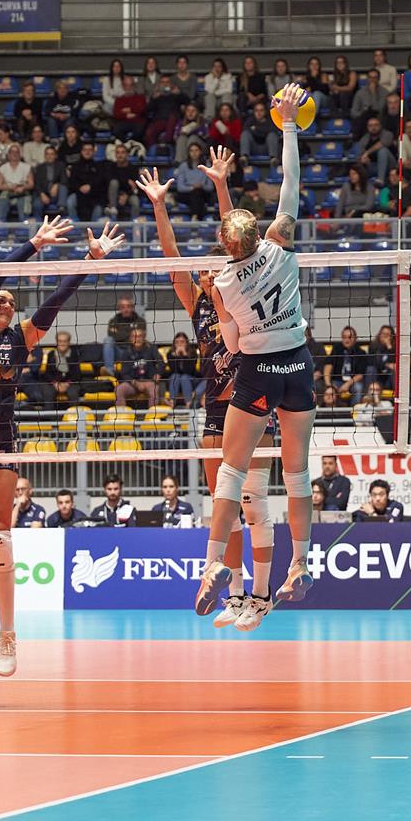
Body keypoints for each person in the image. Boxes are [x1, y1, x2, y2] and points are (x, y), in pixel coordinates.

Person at [0, 214, 121, 668]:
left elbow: (56, 300)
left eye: (13, 302)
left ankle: (7, 638)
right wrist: (34, 244)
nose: (8, 304)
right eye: (3, 300)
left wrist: (89, 260)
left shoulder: (21, 338)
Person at [138, 150, 277, 629]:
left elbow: (236, 234)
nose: (205, 272)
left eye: (211, 266)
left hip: (254, 403)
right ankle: (235, 597)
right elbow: (171, 256)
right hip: (215, 410)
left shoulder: (241, 287)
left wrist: (221, 184)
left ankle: (261, 597)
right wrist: (159, 206)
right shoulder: (197, 302)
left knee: (254, 505)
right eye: (200, 270)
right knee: (224, 507)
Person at [197, 86, 318, 632]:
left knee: (231, 471)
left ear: (227, 245)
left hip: (257, 371)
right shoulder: (280, 247)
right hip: (297, 365)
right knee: (297, 473)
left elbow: (228, 344)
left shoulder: (222, 282)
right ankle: (300, 564)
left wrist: (222, 303)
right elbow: (291, 183)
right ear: (256, 233)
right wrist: (288, 124)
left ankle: (212, 565)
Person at [113, 324, 163, 407]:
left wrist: (158, 374)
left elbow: (161, 363)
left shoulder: (151, 348)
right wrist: (135, 383)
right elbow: (124, 373)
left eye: (140, 336)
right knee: (119, 389)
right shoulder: (126, 353)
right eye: (134, 336)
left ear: (144, 338)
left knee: (154, 389)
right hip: (133, 383)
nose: (137, 339)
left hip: (149, 382)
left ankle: (153, 414)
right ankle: (122, 414)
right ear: (130, 339)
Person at [323, 326, 370, 404]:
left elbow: (360, 375)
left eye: (350, 337)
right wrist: (329, 384)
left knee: (358, 388)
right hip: (337, 381)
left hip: (353, 382)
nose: (347, 340)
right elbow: (328, 365)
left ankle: (354, 410)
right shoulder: (336, 349)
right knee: (328, 390)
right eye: (344, 337)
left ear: (355, 338)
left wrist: (347, 384)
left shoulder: (361, 352)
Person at [102, 294, 145, 378]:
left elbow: (139, 338)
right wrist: (130, 333)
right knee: (108, 340)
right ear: (119, 308)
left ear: (132, 307)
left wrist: (119, 333)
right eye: (123, 307)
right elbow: (111, 335)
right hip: (118, 352)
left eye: (128, 306)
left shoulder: (140, 321)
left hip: (133, 352)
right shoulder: (113, 320)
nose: (126, 309)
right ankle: (110, 371)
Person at [67, 141, 108, 222]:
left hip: (96, 196)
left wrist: (90, 186)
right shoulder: (75, 167)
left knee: (99, 208)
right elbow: (72, 182)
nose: (87, 152)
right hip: (79, 194)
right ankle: (75, 225)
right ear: (81, 152)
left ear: (93, 152)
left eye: (90, 150)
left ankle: (93, 228)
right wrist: (80, 187)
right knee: (70, 201)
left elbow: (101, 182)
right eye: (85, 150)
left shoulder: (100, 167)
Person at [0, 143, 34, 221]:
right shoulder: (3, 168)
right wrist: (11, 187)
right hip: (7, 191)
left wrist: (23, 188)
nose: (14, 154)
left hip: (22, 192)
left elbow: (31, 184)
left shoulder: (26, 167)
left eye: (17, 152)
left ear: (20, 154)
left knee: (23, 212)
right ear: (8, 155)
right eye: (12, 152)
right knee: (2, 205)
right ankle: (0, 224)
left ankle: (24, 224)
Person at [173, 141, 212, 219]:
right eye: (191, 151)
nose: (194, 153)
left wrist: (201, 186)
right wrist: (192, 187)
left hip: (203, 192)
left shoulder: (207, 165)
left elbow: (210, 187)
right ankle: (200, 218)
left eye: (196, 150)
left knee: (197, 194)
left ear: (200, 152)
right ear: (189, 153)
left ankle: (194, 217)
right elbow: (180, 187)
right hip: (187, 193)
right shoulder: (183, 166)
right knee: (196, 195)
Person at [165, 332, 203, 408]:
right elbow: (173, 370)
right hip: (176, 382)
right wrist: (176, 356)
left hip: (191, 380)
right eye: (177, 342)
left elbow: (189, 371)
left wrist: (185, 355)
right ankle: (172, 401)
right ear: (174, 343)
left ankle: (188, 403)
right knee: (175, 376)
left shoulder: (193, 353)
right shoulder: (170, 354)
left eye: (182, 342)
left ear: (186, 343)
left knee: (184, 377)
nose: (180, 344)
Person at [353, 115, 395, 182]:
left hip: (389, 166)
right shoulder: (364, 139)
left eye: (376, 125)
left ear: (380, 126)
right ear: (367, 127)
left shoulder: (388, 134)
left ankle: (380, 180)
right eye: (370, 126)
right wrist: (363, 159)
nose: (373, 127)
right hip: (372, 166)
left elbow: (382, 144)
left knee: (383, 151)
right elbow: (359, 156)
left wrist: (367, 153)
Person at [111, 75, 147, 141]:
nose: (129, 87)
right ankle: (125, 144)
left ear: (134, 86)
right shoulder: (119, 99)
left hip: (137, 121)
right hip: (123, 121)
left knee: (140, 131)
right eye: (126, 85)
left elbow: (142, 109)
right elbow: (116, 114)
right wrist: (126, 115)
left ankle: (132, 143)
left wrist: (130, 109)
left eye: (131, 85)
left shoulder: (141, 97)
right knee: (116, 130)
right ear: (123, 86)